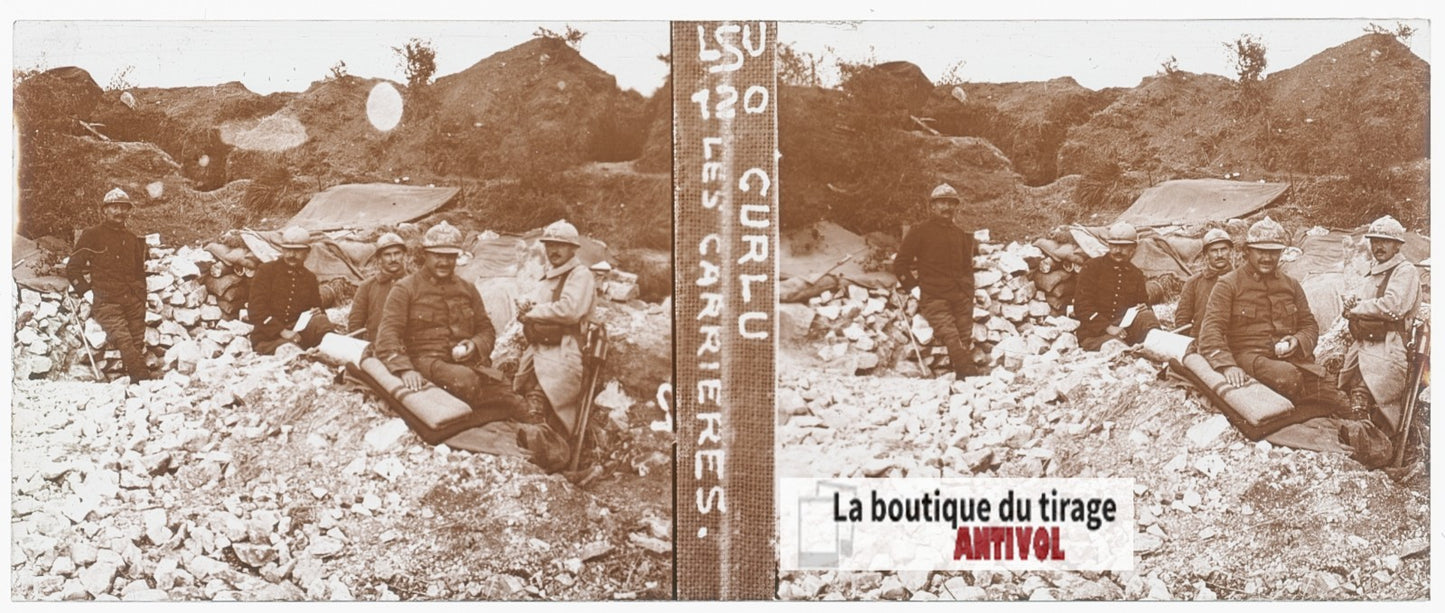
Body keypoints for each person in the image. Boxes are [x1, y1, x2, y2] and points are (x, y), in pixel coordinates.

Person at [375, 221, 526, 422]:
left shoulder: (467, 289)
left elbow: (486, 329)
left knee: (510, 393)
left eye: (450, 256)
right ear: (425, 254)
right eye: (438, 255)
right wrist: (405, 370)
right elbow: (388, 335)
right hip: (426, 362)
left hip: (469, 364)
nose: (444, 262)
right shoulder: (405, 289)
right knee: (465, 382)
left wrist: (473, 345)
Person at [1198, 217, 1342, 408]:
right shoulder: (1228, 284)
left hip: (1293, 360)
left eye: (1273, 252)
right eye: (1261, 251)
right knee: (1288, 379)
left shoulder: (1291, 285)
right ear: (1248, 251)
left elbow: (1309, 325)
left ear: (1281, 252)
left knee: (1336, 395)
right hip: (1250, 358)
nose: (1267, 258)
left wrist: (1297, 340)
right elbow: (1211, 330)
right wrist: (1227, 365)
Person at [1336, 215, 1421, 467]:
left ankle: (1375, 449)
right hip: (1363, 344)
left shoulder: (1404, 271)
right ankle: (1358, 444)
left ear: (1398, 245)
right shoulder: (1372, 271)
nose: (1379, 246)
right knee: (1344, 389)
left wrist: (1359, 307)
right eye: (1375, 241)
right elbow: (1363, 303)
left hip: (1389, 345)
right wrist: (1350, 306)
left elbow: (1393, 305)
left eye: (1386, 241)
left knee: (1375, 396)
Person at [515, 220, 599, 472]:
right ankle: (538, 454)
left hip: (565, 348)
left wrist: (534, 312)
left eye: (561, 246)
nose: (554, 251)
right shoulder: (550, 274)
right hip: (540, 347)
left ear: (573, 249)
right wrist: (526, 307)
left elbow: (570, 310)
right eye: (550, 245)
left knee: (550, 403)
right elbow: (541, 303)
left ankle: (557, 459)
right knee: (522, 394)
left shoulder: (580, 274)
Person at [893, 183, 979, 378]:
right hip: (933, 295)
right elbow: (900, 264)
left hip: (959, 295)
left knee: (966, 336)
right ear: (932, 206)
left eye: (952, 203)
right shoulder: (920, 231)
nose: (947, 208)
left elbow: (967, 268)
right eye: (942, 203)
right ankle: (969, 377)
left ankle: (964, 381)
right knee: (950, 335)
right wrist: (914, 289)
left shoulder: (959, 235)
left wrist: (968, 292)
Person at [66, 187, 152, 381]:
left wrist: (141, 298)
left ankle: (133, 385)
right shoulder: (92, 234)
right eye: (114, 207)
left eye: (124, 208)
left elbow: (139, 273)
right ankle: (144, 382)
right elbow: (72, 268)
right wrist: (87, 293)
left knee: (138, 341)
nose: (120, 212)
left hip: (132, 301)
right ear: (104, 210)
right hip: (106, 301)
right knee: (124, 339)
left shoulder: (131, 239)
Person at [248, 226, 338, 354]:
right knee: (291, 351)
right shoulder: (266, 271)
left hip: (298, 333)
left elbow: (316, 307)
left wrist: (316, 312)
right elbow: (256, 310)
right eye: (287, 250)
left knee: (321, 322)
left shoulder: (309, 278)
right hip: (268, 337)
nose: (291, 255)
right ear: (282, 250)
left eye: (297, 251)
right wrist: (282, 332)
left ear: (307, 252)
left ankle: (336, 350)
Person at [1072, 221, 1160, 350]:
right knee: (1118, 348)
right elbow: (1082, 306)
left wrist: (1143, 307)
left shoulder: (1136, 274)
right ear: (1108, 245)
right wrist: (1107, 327)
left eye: (1124, 247)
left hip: (1125, 330)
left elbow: (1144, 303)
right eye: (1114, 246)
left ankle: (1160, 346)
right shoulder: (1092, 267)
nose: (1118, 250)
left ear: (1133, 248)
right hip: (1095, 333)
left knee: (1147, 317)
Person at [348, 232, 407, 341]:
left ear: (404, 255)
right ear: (379, 258)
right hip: (378, 347)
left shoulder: (415, 282)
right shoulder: (367, 287)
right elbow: (355, 324)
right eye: (387, 254)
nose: (393, 259)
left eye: (397, 253)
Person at [1175, 228, 1234, 335]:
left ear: (1231, 250)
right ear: (1205, 254)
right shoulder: (1193, 283)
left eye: (1223, 249)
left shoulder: (1241, 279)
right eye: (1214, 250)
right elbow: (1182, 320)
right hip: (1202, 340)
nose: (1220, 255)